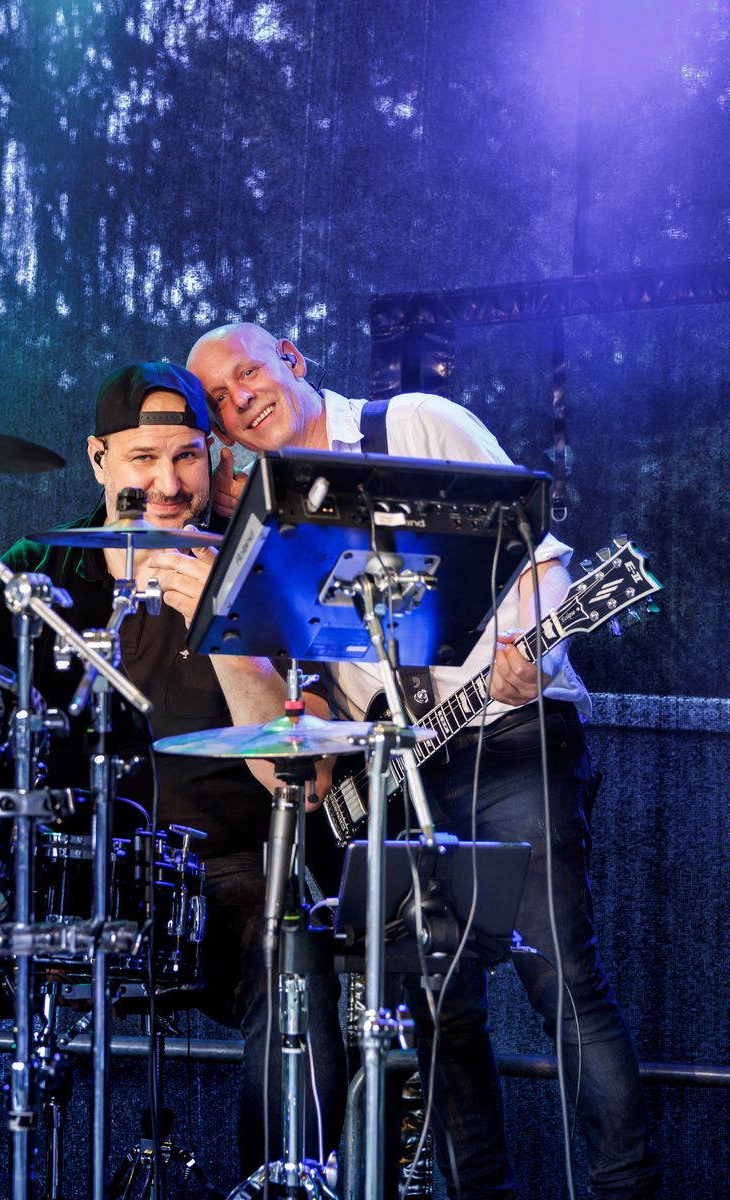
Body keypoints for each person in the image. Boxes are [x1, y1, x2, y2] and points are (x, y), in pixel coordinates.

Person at [186, 322, 660, 1199]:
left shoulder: (413, 423)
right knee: (441, 1013)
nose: (238, 399)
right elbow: (319, 682)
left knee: (561, 981)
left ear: (291, 358)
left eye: (246, 373)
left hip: (510, 735)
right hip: (399, 769)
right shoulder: (274, 513)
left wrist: (534, 651)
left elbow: (541, 564)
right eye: (217, 399)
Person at [0, 361, 348, 1177]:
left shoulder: (267, 568)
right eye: (143, 459)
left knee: (294, 963)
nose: (169, 485)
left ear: (214, 455)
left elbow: (305, 782)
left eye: (186, 457)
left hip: (223, 874)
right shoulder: (34, 574)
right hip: (63, 874)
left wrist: (223, 626)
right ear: (99, 459)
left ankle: (277, 1190)